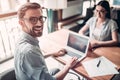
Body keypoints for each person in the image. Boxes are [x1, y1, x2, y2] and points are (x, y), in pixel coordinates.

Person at [14, 2, 78, 80]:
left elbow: (34, 58)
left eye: (41, 18)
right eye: (33, 20)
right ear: (21, 23)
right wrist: (68, 66)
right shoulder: (29, 51)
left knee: (57, 70)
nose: (39, 23)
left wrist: (52, 53)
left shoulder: (22, 39)